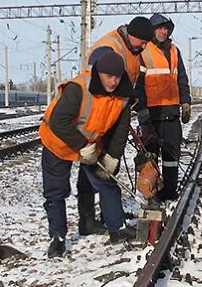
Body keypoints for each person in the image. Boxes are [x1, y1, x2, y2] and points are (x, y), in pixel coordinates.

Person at [39, 52, 136, 258]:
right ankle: (58, 239)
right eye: (109, 76)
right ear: (99, 73)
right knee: (56, 192)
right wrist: (82, 145)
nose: (114, 81)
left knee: (106, 182)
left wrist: (112, 156)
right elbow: (59, 121)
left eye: (118, 77)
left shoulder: (123, 95)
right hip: (59, 143)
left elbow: (120, 130)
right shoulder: (78, 89)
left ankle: (117, 228)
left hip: (92, 145)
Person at [75, 16, 153, 237]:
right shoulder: (109, 48)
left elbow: (129, 84)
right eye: (142, 41)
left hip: (111, 113)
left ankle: (91, 222)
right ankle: (114, 225)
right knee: (103, 169)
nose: (145, 46)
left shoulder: (131, 51)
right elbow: (97, 86)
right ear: (131, 34)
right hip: (99, 117)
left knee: (92, 171)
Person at [134, 13, 191, 202]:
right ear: (152, 30)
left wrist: (186, 102)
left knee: (171, 156)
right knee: (150, 156)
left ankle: (169, 192)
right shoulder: (144, 51)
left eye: (166, 28)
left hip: (172, 112)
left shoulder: (175, 51)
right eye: (159, 28)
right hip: (152, 114)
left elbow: (181, 78)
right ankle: (150, 191)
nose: (163, 31)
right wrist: (142, 111)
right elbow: (138, 84)